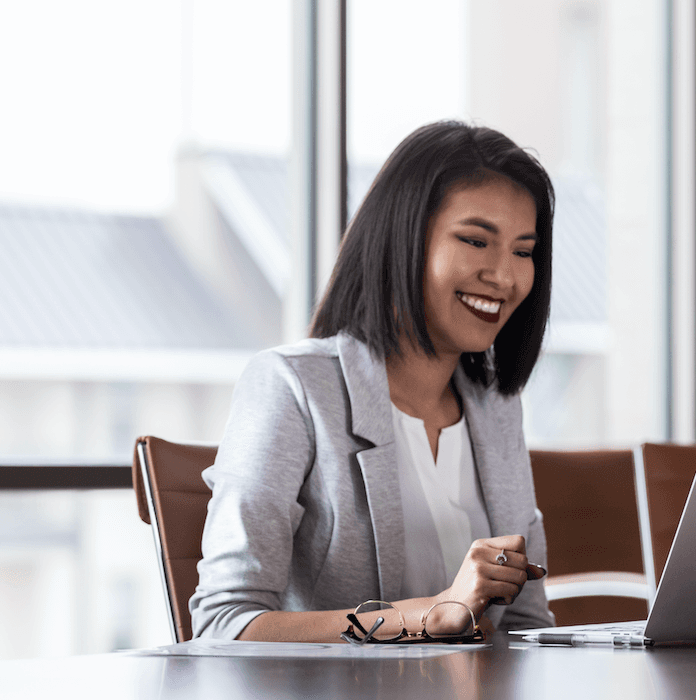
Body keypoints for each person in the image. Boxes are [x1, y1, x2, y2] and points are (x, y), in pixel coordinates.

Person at [189, 121, 557, 642]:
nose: (504, 276)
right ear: (404, 239)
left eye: (524, 251)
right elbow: (224, 626)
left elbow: (523, 624)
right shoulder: (292, 388)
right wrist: (426, 616)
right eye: (476, 240)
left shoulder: (496, 407)